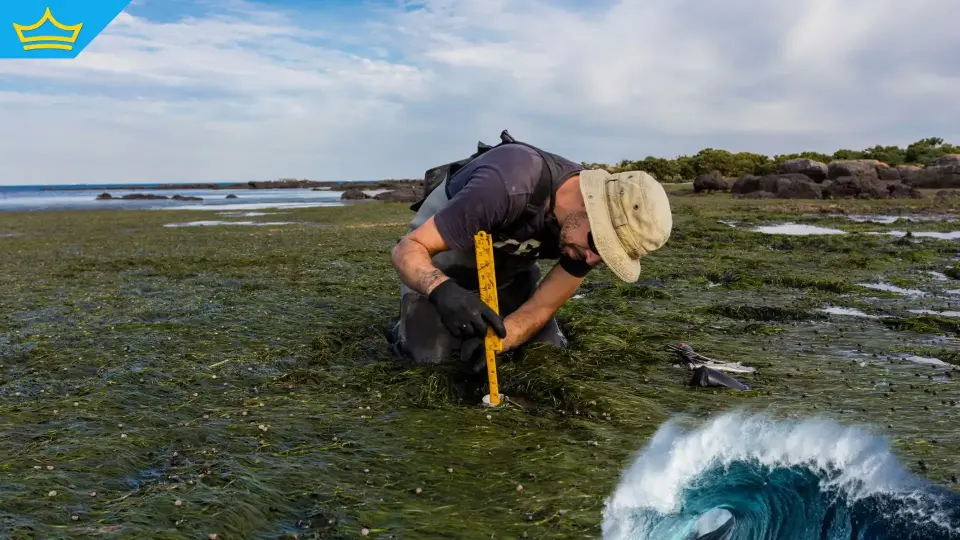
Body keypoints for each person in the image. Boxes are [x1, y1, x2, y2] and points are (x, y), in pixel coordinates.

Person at [387, 131, 673, 374]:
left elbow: (542, 307)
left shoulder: (585, 245)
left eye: (606, 258)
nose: (592, 260)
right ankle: (405, 323)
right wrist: (441, 290)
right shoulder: (508, 184)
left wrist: (501, 342)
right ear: (589, 207)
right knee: (430, 360)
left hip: (510, 275)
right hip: (438, 264)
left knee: (547, 354)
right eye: (600, 246)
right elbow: (407, 249)